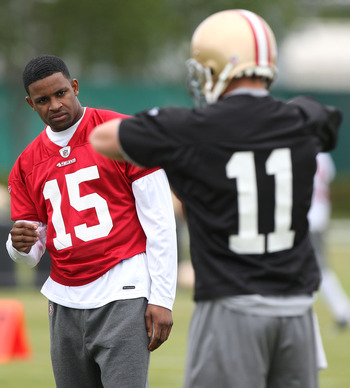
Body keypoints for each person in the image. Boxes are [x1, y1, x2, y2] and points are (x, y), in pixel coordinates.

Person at [89, 9, 342, 388]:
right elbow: (324, 122)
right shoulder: (306, 117)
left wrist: (174, 133)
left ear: (217, 65)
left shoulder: (192, 129)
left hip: (231, 306)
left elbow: (101, 138)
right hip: (297, 312)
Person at [6, 54, 177, 388]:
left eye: (60, 94)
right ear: (30, 104)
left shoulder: (123, 134)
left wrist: (162, 298)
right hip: (65, 300)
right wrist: (17, 244)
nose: (54, 105)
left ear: (74, 86)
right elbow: (29, 252)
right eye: (43, 100)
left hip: (123, 290)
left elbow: (160, 221)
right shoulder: (26, 163)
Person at [308, 152, 350, 328]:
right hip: (321, 214)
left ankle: (342, 311)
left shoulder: (301, 148)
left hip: (307, 217)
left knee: (319, 268)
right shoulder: (324, 156)